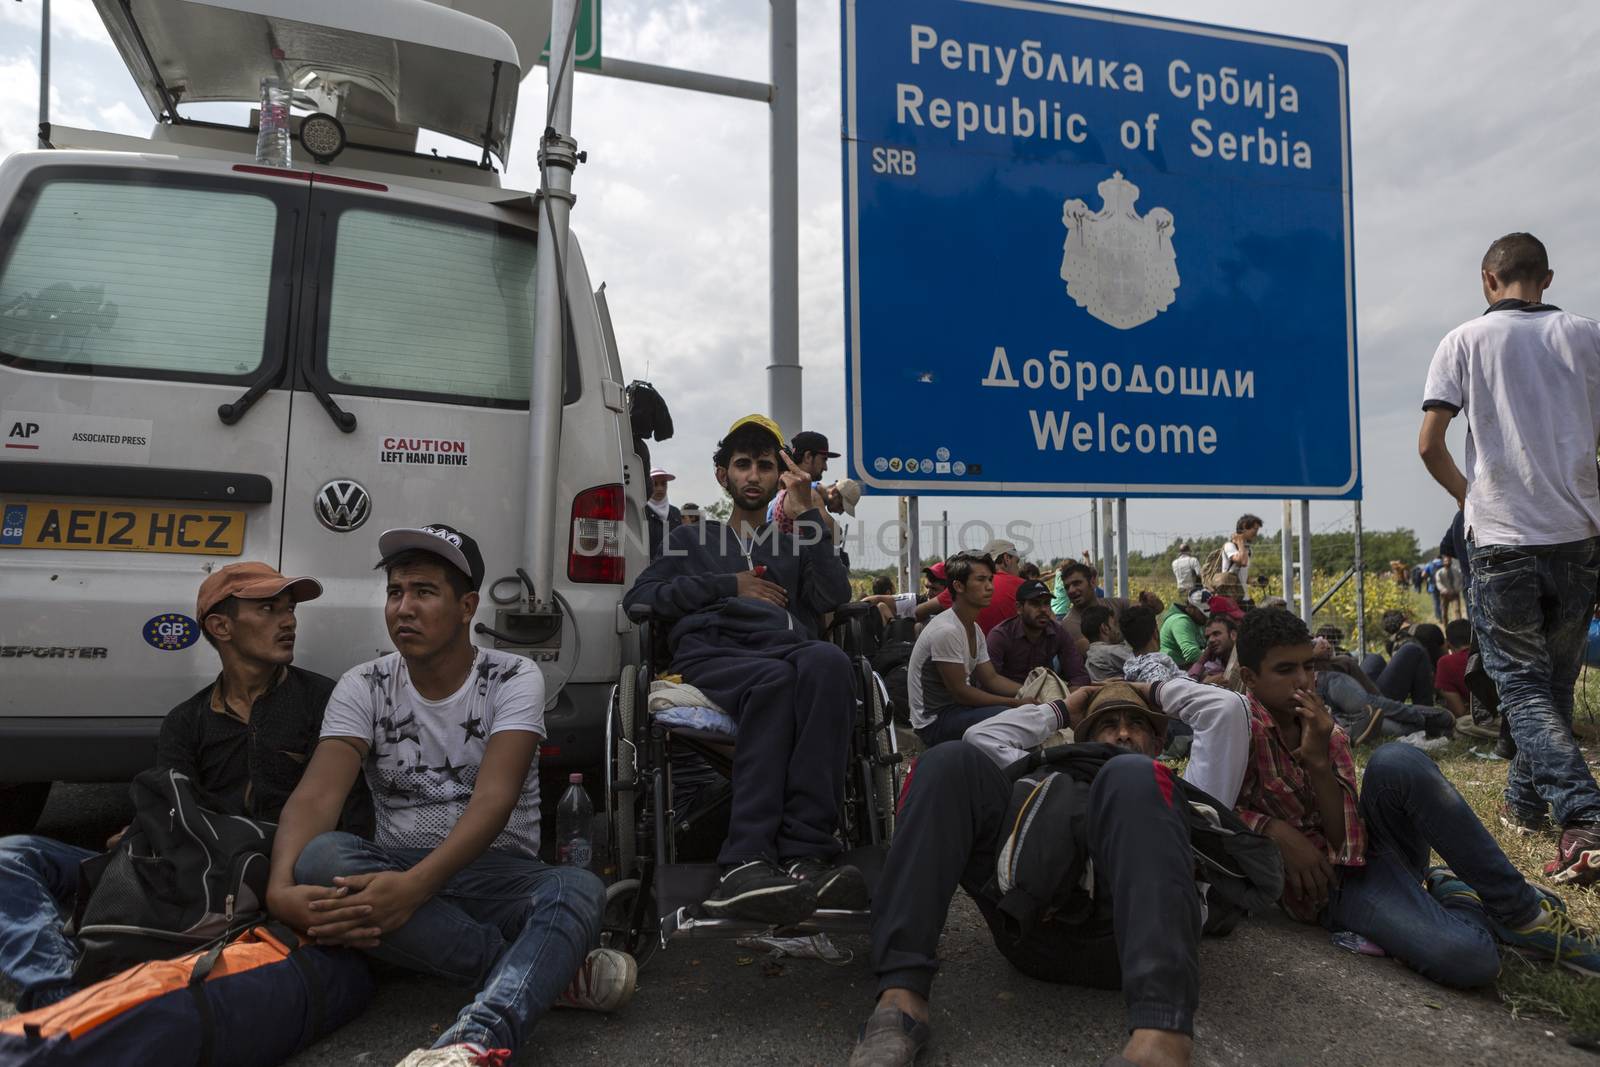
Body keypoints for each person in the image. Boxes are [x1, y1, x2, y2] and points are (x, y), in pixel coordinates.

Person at [267, 525, 631, 1067]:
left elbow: (495, 800)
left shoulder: (513, 676)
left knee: (577, 888)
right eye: (395, 592)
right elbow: (316, 797)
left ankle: (472, 1042)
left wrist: (414, 890)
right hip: (394, 869)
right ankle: (544, 970)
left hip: (495, 874)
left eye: (424, 592)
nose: (403, 608)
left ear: (466, 607)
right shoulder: (363, 684)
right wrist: (279, 891)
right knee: (321, 858)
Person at [0, 562, 368, 1012]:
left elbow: (348, 816)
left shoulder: (324, 701)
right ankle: (57, 995)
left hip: (269, 875)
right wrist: (138, 832)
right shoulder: (186, 720)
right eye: (269, 609)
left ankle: (79, 995)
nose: (288, 620)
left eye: (289, 610)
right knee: (12, 856)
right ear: (221, 626)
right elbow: (165, 807)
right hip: (184, 868)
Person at [849, 679, 1253, 1067]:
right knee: (946, 761)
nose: (1124, 734)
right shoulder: (1048, 778)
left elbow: (1227, 709)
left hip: (1120, 951)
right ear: (1084, 741)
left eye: (1137, 724)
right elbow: (979, 740)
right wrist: (1062, 710)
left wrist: (1149, 691)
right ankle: (901, 996)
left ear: (1159, 743)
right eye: (1108, 725)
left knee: (1131, 774)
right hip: (1029, 933)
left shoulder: (1187, 785)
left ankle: (1162, 1039)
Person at [1232, 608, 1600, 987]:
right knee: (1472, 959)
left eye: (1308, 667)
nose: (1302, 681)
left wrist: (1317, 763)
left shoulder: (1326, 730)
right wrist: (1273, 830)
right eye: (1284, 670)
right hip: (1335, 891)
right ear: (1249, 678)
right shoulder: (1239, 727)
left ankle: (1522, 913)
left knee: (1397, 760)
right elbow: (1212, 810)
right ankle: (1459, 894)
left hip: (1364, 849)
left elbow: (1345, 843)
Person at [621, 414, 865, 922]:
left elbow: (834, 597)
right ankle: (744, 862)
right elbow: (641, 600)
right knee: (776, 682)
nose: (753, 475)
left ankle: (806, 855)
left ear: (781, 475)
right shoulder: (692, 540)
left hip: (785, 648)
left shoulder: (798, 538)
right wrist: (728, 586)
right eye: (742, 465)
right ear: (721, 475)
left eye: (764, 465)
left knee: (831, 661)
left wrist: (812, 520)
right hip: (715, 652)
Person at [1419, 231, 1600, 880]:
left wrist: (1472, 499)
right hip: (1578, 532)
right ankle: (1524, 809)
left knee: (1522, 685)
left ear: (1486, 279)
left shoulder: (1463, 341)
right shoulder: (1586, 334)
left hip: (1502, 537)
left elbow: (1429, 441)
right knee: (1550, 682)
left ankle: (1583, 817)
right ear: (1545, 279)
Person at [907, 552, 1022, 745]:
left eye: (990, 579)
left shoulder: (974, 629)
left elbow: (991, 679)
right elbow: (961, 692)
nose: (990, 587)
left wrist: (1030, 691)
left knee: (1024, 714)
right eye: (981, 580)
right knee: (1014, 719)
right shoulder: (947, 631)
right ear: (958, 586)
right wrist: (1016, 703)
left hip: (958, 711)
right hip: (935, 721)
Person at [985, 578, 1089, 687]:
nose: (1043, 609)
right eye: (1035, 604)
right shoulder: (1001, 636)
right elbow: (988, 683)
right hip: (1009, 699)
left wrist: (1068, 696)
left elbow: (1079, 676)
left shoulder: (1057, 632)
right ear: (1019, 608)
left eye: (1046, 603)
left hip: (1047, 696)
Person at [934, 538, 1026, 634]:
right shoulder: (1024, 587)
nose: (990, 587)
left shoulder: (963, 582)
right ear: (1007, 558)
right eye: (1017, 562)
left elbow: (921, 611)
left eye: (990, 579)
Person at [1055, 559, 1131, 652]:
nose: (1071, 590)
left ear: (1093, 582)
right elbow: (1094, 653)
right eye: (1067, 587)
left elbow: (1143, 611)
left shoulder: (1115, 604)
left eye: (1077, 583)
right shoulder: (1070, 624)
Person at [764, 429, 836, 521]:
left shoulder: (778, 488)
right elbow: (833, 533)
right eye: (823, 459)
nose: (825, 467)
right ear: (808, 456)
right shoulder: (808, 495)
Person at [1080, 604, 1133, 683]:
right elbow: (1144, 663)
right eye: (1115, 624)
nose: (1118, 629)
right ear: (1105, 628)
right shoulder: (1111, 651)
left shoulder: (1090, 656)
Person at [1434, 618, 1473, 721]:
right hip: (1512, 711)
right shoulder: (1490, 653)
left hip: (1485, 720)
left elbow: (1460, 712)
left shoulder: (1445, 663)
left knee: (1460, 724)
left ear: (1448, 644)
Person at [1159, 590, 1207, 669]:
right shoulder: (1181, 622)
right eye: (1202, 613)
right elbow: (1191, 653)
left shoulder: (1197, 620)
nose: (1206, 617)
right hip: (1173, 669)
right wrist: (1211, 665)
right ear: (1191, 608)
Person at [1189, 614, 1237, 686]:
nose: (1210, 640)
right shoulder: (1213, 662)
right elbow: (1189, 684)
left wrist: (1206, 684)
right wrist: (1201, 661)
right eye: (1207, 637)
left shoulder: (1245, 659)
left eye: (1216, 634)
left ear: (1233, 635)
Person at [645, 467, 682, 559]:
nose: (660, 488)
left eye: (663, 484)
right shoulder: (641, 511)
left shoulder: (675, 513)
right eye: (655, 484)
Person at [1220, 515, 1263, 591]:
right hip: (1230, 597)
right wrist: (1240, 541)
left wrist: (1255, 581)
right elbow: (1243, 562)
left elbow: (1242, 577)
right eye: (1255, 530)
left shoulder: (1248, 550)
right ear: (1244, 527)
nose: (1256, 534)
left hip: (1243, 597)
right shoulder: (1229, 546)